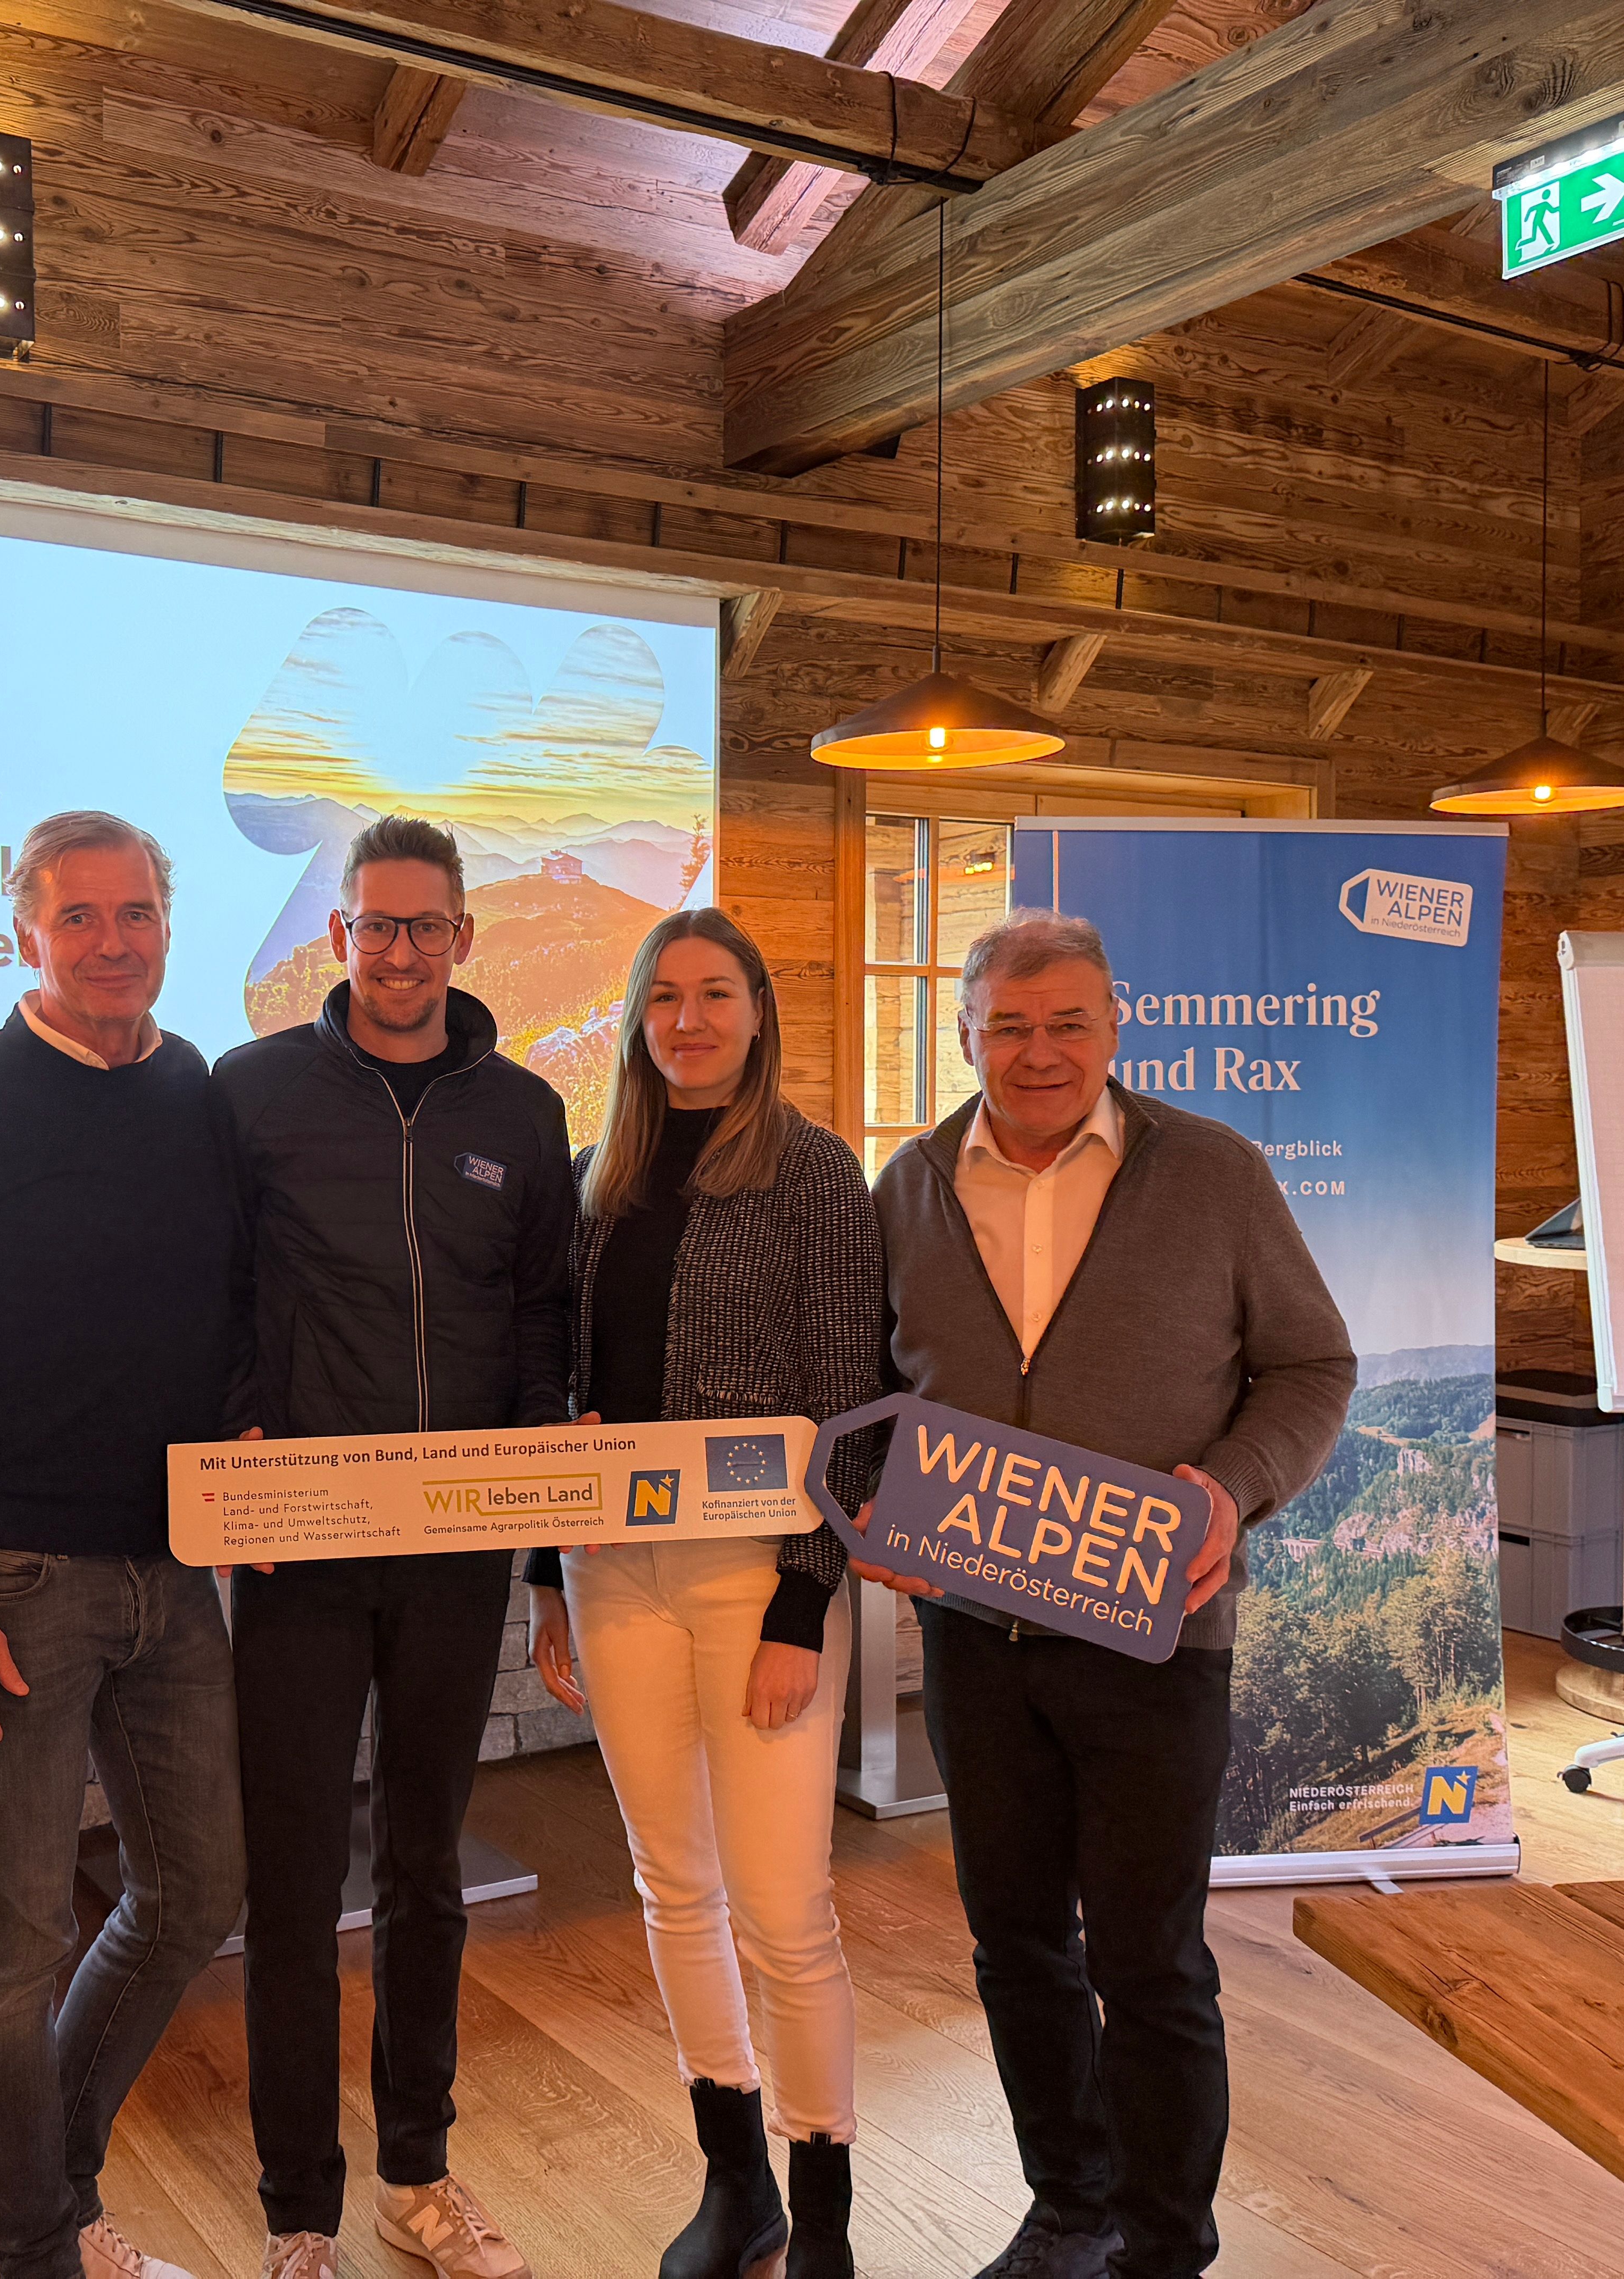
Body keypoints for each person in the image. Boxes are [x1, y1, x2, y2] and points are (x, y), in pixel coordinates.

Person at [866, 909, 1353, 2279]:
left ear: (1114, 1028)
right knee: (1015, 1942)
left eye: (1068, 1022)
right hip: (975, 1639)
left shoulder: (1212, 1172)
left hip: (1156, 1640)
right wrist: (873, 1517)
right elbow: (872, 1398)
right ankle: (1066, 2207)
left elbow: (1313, 1370)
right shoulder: (904, 1187)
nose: (1038, 1052)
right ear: (962, 1036)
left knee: (1149, 1961)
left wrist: (1229, 1487)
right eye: (1008, 1026)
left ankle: (1161, 2245)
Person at [0, 810, 249, 2279]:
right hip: (9, 1582)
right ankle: (40, 2251)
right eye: (80, 917)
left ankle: (56, 2192)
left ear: (166, 923)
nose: (113, 942)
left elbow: (200, 1315)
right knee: (10, 1945)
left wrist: (249, 1435)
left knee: (201, 1891)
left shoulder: (195, 1086)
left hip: (174, 1575)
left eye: (136, 913)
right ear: (25, 929)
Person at [215, 813, 577, 2279]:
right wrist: (239, 1417)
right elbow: (215, 1287)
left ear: (465, 938)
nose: (403, 950)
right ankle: (300, 2208)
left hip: (456, 1555)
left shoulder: (526, 1113)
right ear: (340, 935)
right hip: (297, 1547)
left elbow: (546, 1316)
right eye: (378, 925)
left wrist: (543, 1514)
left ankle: (418, 2177)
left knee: (426, 1867)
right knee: (295, 1879)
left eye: (428, 925)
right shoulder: (251, 1095)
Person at [525, 908, 885, 2279]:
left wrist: (806, 1603)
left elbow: (851, 1402)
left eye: (714, 994)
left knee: (785, 1906)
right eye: (664, 997)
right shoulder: (592, 1180)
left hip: (760, 1581)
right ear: (635, 1018)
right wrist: (544, 1580)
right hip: (611, 1576)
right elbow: (558, 1399)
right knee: (672, 1887)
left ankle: (829, 2217)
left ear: (756, 1011)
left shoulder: (816, 1176)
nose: (689, 1019)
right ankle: (737, 2187)